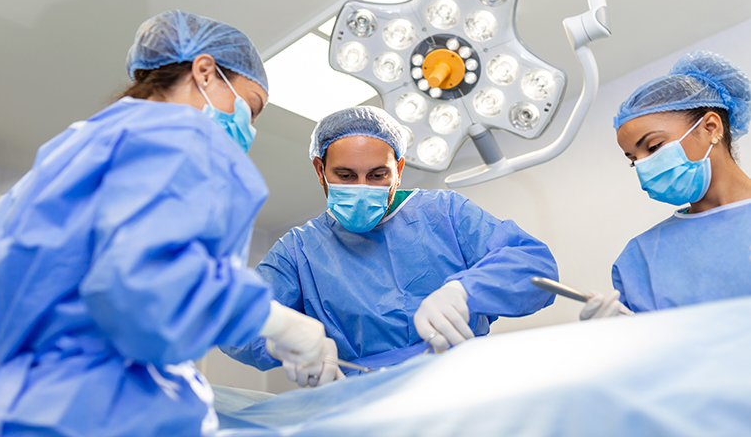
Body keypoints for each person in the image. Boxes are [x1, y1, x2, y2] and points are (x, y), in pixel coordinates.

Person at [0, 10, 333, 437]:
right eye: (250, 108)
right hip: (93, 412)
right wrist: (275, 320)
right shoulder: (179, 135)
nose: (249, 128)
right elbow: (145, 282)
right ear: (205, 71)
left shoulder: (76, 147)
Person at [222, 105, 560, 385]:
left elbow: (533, 266)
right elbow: (235, 319)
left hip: (464, 385)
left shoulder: (444, 213)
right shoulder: (298, 253)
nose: (361, 187)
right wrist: (285, 340)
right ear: (319, 169)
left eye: (377, 175)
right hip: (361, 400)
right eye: (345, 175)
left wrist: (464, 292)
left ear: (398, 169)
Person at [580, 50, 751, 320]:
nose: (644, 166)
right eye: (633, 160)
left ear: (710, 127)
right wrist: (619, 335)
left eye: (654, 146)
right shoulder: (640, 257)